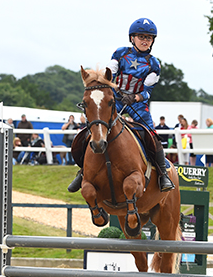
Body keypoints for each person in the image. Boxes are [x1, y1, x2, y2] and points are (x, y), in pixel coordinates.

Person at [68, 17, 174, 192]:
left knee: (153, 138)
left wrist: (134, 98)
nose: (145, 40)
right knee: (91, 131)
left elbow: (147, 91)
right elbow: (109, 73)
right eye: (141, 36)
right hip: (115, 98)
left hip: (138, 104)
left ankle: (163, 175)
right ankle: (82, 172)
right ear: (132, 38)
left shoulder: (154, 64)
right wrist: (115, 91)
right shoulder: (120, 53)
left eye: (148, 37)